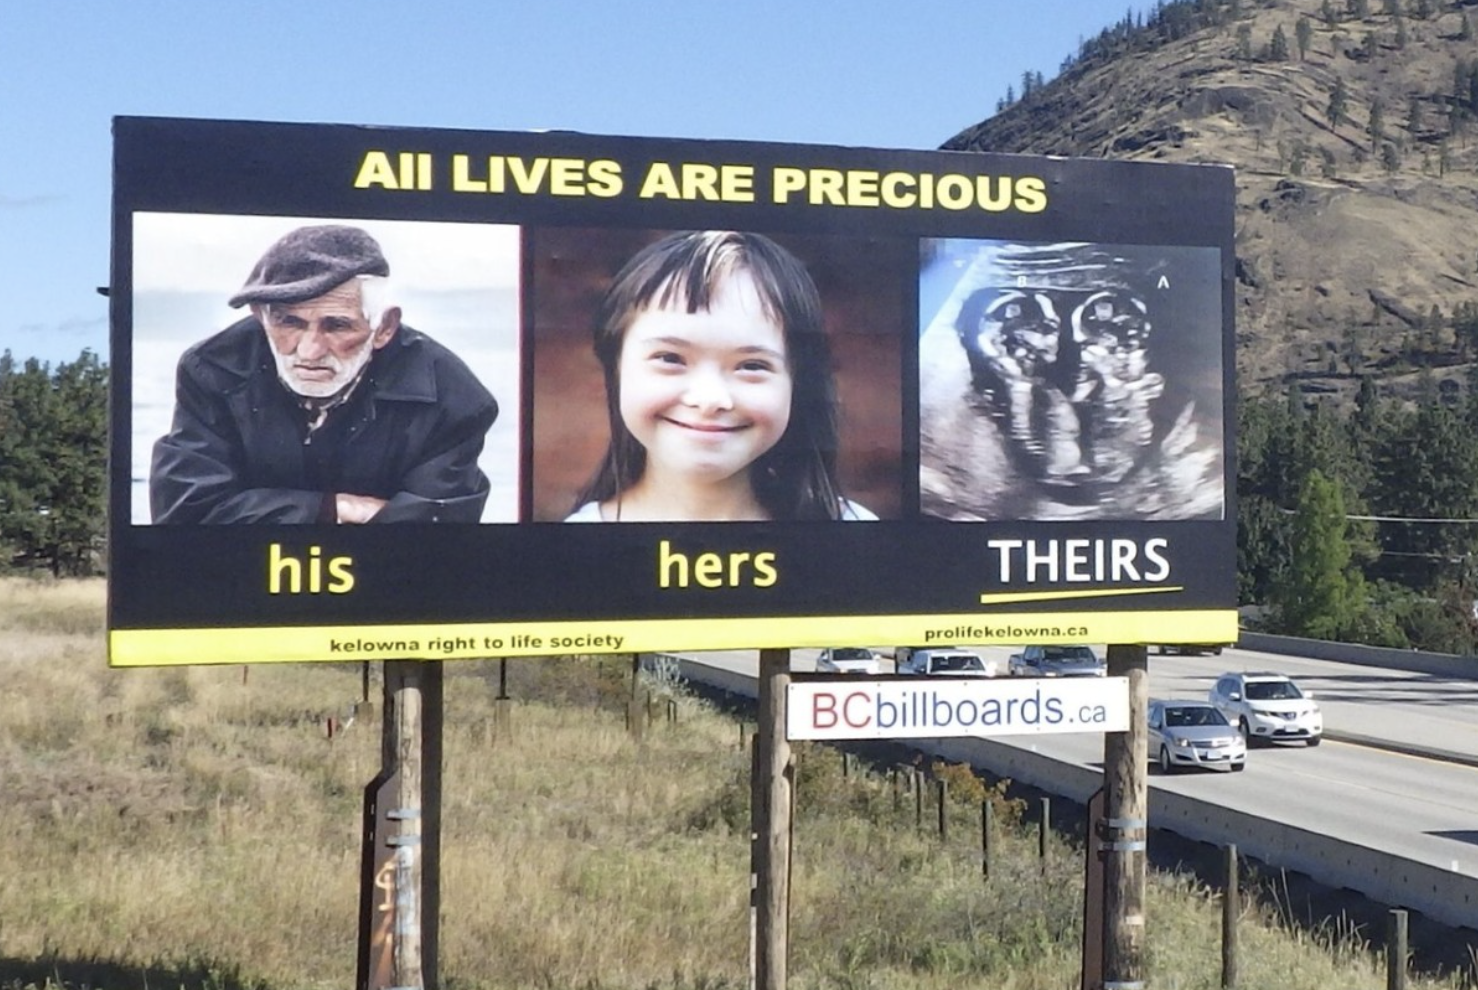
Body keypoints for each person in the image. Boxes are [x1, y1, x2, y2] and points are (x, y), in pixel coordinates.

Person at [150, 224, 498, 524]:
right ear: (260, 316)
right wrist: (333, 508)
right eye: (289, 322)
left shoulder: (454, 397)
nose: (309, 351)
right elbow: (184, 511)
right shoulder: (211, 369)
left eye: (337, 326)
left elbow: (440, 534)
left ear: (384, 328)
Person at [566, 230, 873, 522]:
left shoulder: (858, 535)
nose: (710, 400)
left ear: (797, 381)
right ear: (616, 366)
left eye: (752, 366)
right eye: (670, 358)